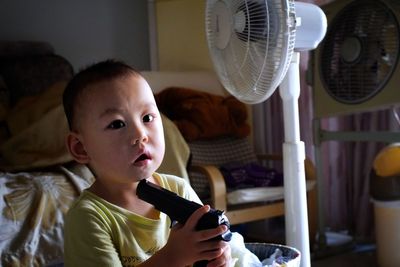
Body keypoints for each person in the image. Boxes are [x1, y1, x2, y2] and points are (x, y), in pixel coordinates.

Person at [62, 60, 232, 267]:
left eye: (148, 117)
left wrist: (217, 258)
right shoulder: (88, 217)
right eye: (117, 124)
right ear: (81, 147)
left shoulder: (178, 189)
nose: (140, 135)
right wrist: (172, 258)